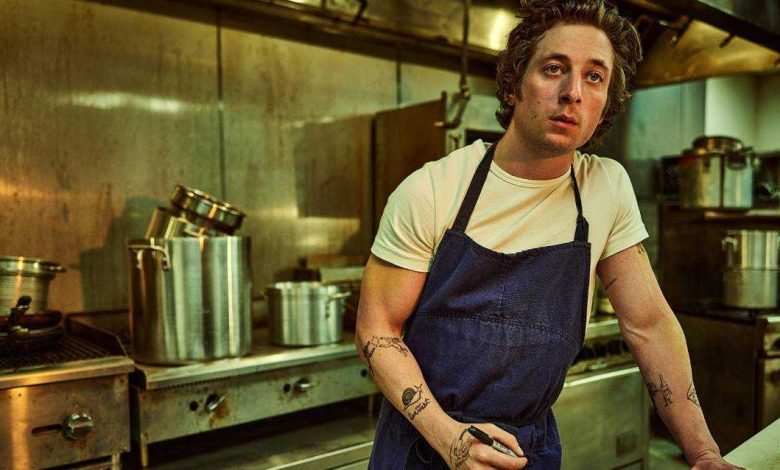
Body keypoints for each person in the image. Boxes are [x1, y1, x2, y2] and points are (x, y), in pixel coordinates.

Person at [355, 1, 743, 468]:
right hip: (424, 446)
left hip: (528, 452)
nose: (572, 92)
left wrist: (704, 453)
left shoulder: (605, 188)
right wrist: (450, 439)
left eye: (594, 76)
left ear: (606, 103)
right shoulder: (434, 189)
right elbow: (377, 329)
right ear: (514, 84)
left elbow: (650, 326)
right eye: (554, 68)